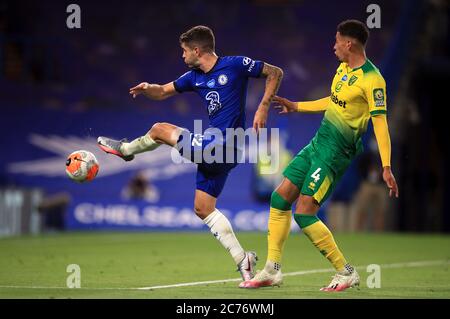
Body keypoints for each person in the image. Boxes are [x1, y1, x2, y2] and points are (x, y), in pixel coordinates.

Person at [97, 25, 283, 282]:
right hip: (218, 151)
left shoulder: (235, 65)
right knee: (203, 208)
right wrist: (148, 87)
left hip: (224, 145)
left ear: (197, 49)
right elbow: (162, 91)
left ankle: (126, 150)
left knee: (159, 129)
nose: (182, 56)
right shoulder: (193, 77)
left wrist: (263, 108)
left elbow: (275, 72)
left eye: (184, 51)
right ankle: (244, 260)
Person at [240, 20, 399, 291]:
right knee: (279, 198)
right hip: (317, 143)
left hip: (335, 153)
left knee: (304, 213)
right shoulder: (343, 69)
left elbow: (380, 123)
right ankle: (272, 269)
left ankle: (345, 271)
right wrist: (297, 106)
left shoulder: (374, 80)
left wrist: (386, 166)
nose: (333, 45)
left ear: (349, 43)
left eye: (336, 40)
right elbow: (333, 101)